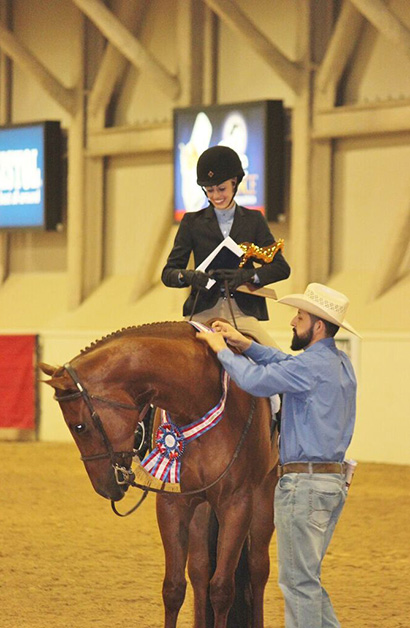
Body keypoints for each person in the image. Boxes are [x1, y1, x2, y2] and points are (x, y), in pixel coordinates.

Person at [196, 282, 359, 628]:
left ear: (317, 326)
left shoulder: (309, 369)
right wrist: (246, 345)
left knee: (298, 584)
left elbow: (255, 381)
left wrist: (220, 350)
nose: (292, 323)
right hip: (329, 484)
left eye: (299, 317)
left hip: (304, 487)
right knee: (307, 582)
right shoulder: (338, 363)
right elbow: (286, 362)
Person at [161, 145, 290, 346]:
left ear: (234, 182)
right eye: (209, 190)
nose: (216, 196)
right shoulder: (191, 222)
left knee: (277, 363)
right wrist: (187, 276)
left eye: (221, 189)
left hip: (242, 315)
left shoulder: (254, 220)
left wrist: (248, 276)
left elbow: (281, 268)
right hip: (202, 312)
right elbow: (168, 273)